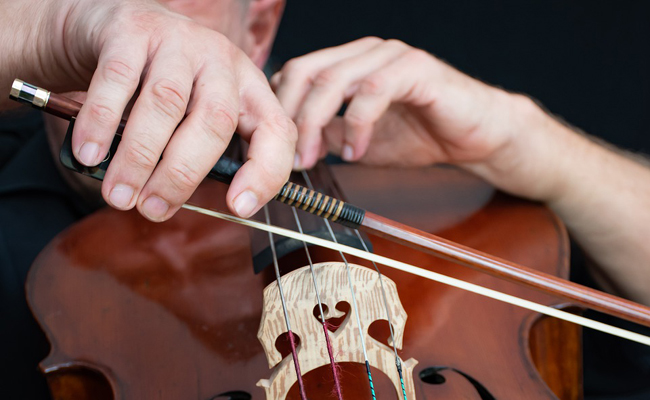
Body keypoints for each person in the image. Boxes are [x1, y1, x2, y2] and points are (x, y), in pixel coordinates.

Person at [0, 0, 292, 397]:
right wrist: (54, 25)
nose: (137, 54)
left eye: (176, 23)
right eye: (103, 10)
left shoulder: (360, 160)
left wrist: (408, 171)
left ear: (256, 29)